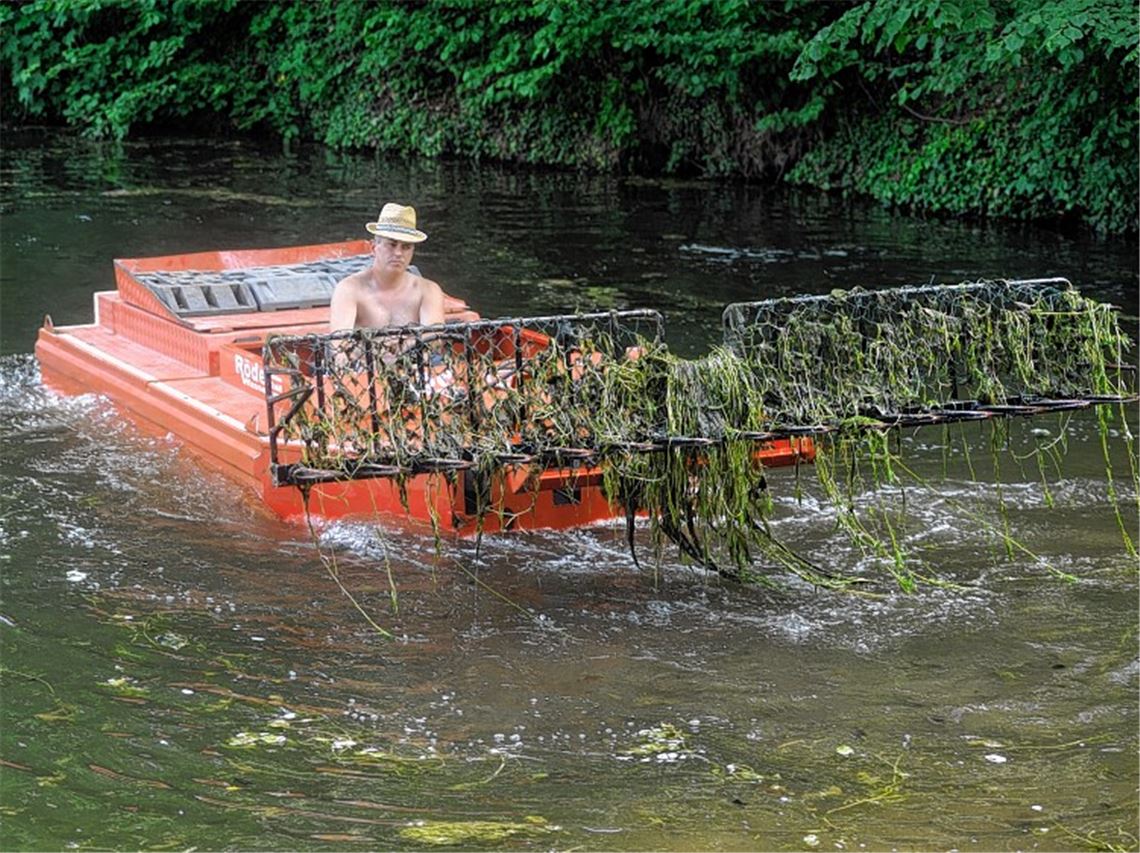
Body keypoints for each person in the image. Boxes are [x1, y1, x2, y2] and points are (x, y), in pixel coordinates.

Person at [330, 203, 446, 331]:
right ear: (374, 248)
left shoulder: (429, 291)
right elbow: (339, 346)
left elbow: (432, 344)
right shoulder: (349, 290)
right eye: (392, 245)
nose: (398, 253)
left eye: (406, 247)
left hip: (413, 351)